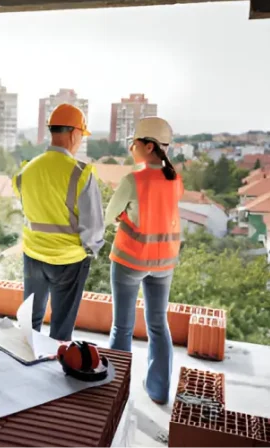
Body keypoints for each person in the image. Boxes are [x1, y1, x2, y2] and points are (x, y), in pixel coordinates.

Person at [104, 116, 183, 405]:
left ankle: (115, 390)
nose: (130, 148)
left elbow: (108, 215)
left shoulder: (132, 180)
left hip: (130, 260)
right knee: (158, 325)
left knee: (122, 328)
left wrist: (123, 218)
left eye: (133, 143)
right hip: (164, 264)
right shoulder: (175, 180)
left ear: (148, 147)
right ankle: (159, 391)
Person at [12, 103, 105, 341]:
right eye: (81, 136)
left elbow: (26, 209)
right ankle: (54, 367)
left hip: (33, 255)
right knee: (61, 328)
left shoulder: (26, 171)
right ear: (74, 133)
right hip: (69, 260)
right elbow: (93, 226)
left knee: (29, 322)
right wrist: (89, 251)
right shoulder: (80, 173)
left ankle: (22, 364)